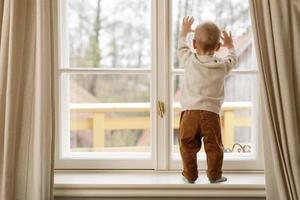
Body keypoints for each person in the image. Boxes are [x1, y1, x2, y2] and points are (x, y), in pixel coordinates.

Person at [177, 16, 237, 184]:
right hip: (211, 114)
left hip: (189, 113)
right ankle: (214, 175)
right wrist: (231, 46)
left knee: (187, 145)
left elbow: (181, 47)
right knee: (214, 147)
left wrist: (183, 33)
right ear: (218, 47)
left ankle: (189, 175)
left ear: (194, 44)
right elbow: (233, 59)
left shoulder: (189, 60)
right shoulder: (221, 65)